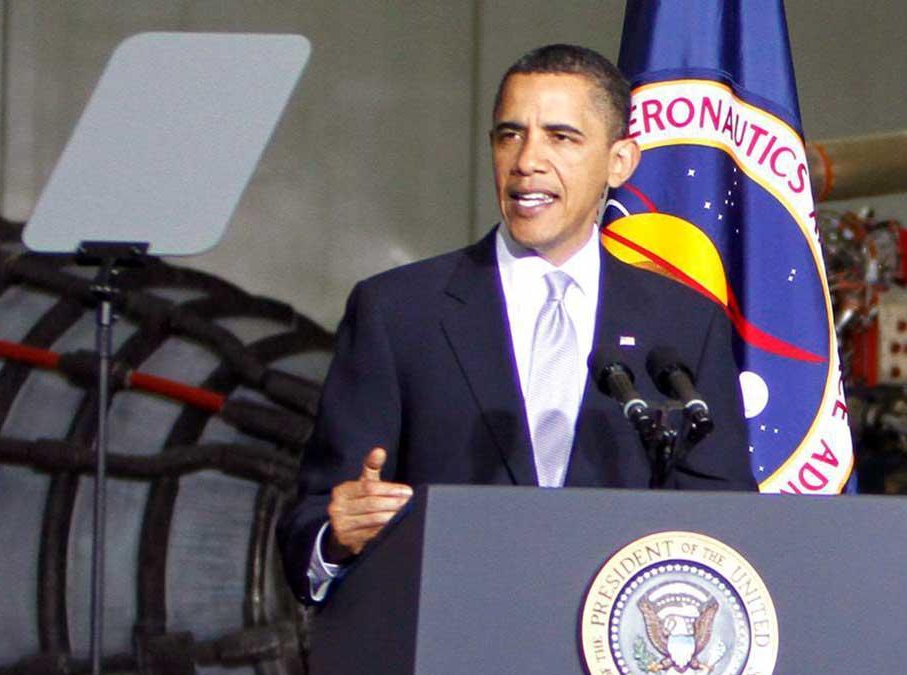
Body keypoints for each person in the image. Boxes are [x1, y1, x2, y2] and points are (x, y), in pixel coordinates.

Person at [276, 44, 756, 606]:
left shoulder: (684, 324)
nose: (527, 160)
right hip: (452, 631)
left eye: (561, 137)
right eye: (511, 135)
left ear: (619, 161)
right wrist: (335, 538)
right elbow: (311, 524)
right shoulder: (398, 312)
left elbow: (727, 525)